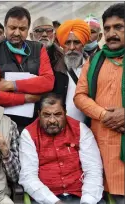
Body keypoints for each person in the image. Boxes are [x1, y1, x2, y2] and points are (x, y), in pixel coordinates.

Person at [74, 3, 125, 203]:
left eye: (119, 27)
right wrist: (105, 115)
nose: (111, 33)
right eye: (108, 28)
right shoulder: (95, 60)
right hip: (99, 148)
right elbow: (80, 96)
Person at [19, 93, 104, 204]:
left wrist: (88, 201)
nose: (52, 120)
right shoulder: (29, 134)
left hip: (82, 196)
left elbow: (94, 169)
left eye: (58, 114)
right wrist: (54, 202)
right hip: (46, 199)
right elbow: (28, 176)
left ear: (65, 113)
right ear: (39, 114)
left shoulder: (80, 129)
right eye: (47, 115)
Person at [0, 6, 54, 132]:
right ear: (5, 27)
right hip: (4, 123)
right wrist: (26, 98)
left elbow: (48, 82)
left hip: (37, 122)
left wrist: (12, 85)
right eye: (12, 28)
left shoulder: (38, 49)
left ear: (28, 30)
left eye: (22, 29)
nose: (17, 33)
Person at [53, 19, 90, 122]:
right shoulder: (53, 70)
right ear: (62, 45)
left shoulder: (94, 68)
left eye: (77, 42)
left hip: (89, 130)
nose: (72, 47)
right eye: (67, 42)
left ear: (83, 43)